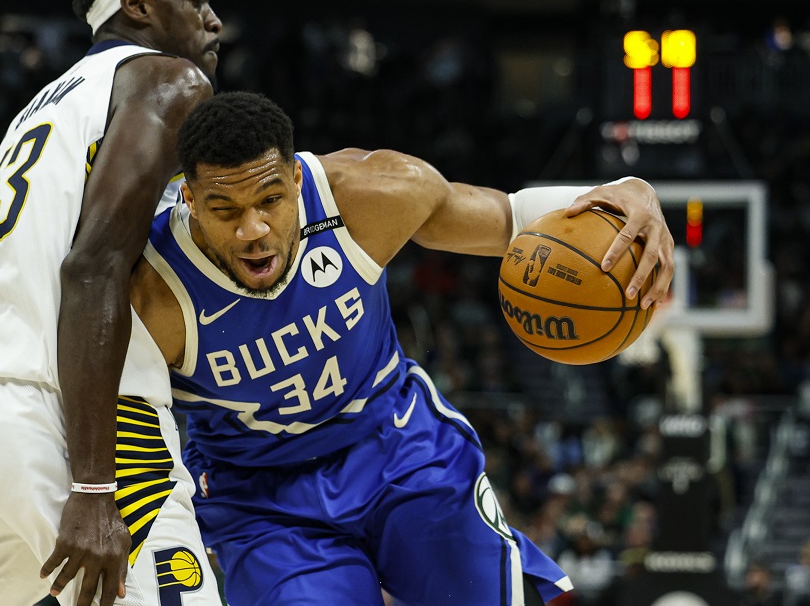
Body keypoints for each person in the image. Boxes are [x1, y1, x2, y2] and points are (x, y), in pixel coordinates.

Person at [129, 92, 676, 606]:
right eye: (226, 210)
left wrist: (634, 189)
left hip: (396, 445)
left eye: (270, 200)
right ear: (190, 201)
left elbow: (513, 218)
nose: (253, 229)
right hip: (262, 499)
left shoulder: (367, 195)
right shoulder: (151, 294)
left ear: (296, 180)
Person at [0, 0, 225, 604]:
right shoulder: (168, 80)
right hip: (70, 425)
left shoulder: (38, 110)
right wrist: (91, 484)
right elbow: (93, 265)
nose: (214, 21)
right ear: (138, 4)